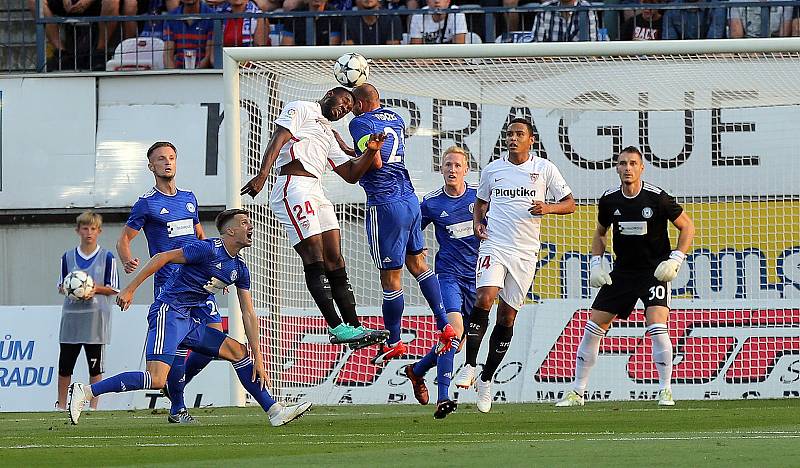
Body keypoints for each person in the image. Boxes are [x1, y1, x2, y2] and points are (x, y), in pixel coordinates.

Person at [68, 209, 312, 427]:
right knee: (156, 379)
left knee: (239, 351)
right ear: (230, 230)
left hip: (189, 320)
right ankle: (86, 391)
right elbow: (160, 258)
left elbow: (248, 312)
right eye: (245, 223)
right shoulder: (206, 248)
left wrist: (259, 357)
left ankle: (274, 410)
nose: (251, 227)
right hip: (169, 312)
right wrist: (130, 289)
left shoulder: (240, 268)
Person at [241, 87, 388, 349]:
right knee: (315, 255)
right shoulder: (302, 107)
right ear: (330, 93)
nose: (344, 108)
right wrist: (262, 175)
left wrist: (370, 152)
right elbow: (279, 137)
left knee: (335, 257)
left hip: (316, 191)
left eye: (349, 107)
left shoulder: (329, 133)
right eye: (343, 101)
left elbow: (351, 174)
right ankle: (336, 327)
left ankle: (354, 327)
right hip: (293, 186)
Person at [556, 146, 695, 408]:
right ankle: (577, 392)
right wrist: (596, 263)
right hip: (623, 272)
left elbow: (687, 226)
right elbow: (600, 233)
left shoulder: (657, 198)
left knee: (656, 325)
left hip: (654, 272)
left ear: (641, 168)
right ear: (617, 168)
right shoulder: (609, 200)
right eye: (622, 164)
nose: (627, 168)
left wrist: (676, 259)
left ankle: (665, 390)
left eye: (633, 163)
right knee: (593, 327)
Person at [454, 118, 575, 413]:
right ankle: (469, 365)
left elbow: (570, 203)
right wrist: (477, 223)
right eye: (509, 134)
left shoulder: (545, 169)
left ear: (531, 140)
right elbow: (481, 202)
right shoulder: (493, 170)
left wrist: (548, 207)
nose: (512, 138)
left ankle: (486, 378)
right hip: (494, 244)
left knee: (507, 318)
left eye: (519, 134)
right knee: (485, 297)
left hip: (525, 252)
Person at [347, 83, 457, 365]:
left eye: (351, 105)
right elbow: (375, 151)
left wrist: (350, 153)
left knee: (390, 278)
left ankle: (394, 342)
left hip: (384, 204)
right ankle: (445, 326)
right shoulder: (395, 118)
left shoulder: (359, 122)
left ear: (359, 105)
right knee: (419, 265)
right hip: (409, 198)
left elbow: (376, 161)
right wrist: (345, 148)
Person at [117, 141, 217, 423]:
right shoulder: (146, 204)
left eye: (171, 157)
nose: (167, 162)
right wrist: (127, 259)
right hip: (170, 285)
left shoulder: (189, 198)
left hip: (198, 281)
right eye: (161, 159)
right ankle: (178, 408)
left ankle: (177, 387)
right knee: (175, 349)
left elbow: (200, 237)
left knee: (214, 337)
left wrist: (213, 263)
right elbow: (124, 239)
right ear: (151, 166)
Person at [403, 146, 479, 419]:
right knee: (453, 330)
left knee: (457, 341)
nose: (452, 170)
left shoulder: (479, 197)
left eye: (457, 165)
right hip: (448, 276)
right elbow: (413, 229)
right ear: (441, 169)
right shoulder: (433, 202)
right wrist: (417, 247)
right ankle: (443, 397)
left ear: (466, 169)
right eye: (448, 165)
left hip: (478, 278)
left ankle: (418, 370)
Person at [56, 211, 119, 411]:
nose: (89, 232)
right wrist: (69, 288)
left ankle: (93, 406)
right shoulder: (67, 257)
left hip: (96, 320)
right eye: (85, 228)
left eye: (93, 229)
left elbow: (114, 288)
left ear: (99, 231)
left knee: (95, 367)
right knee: (65, 366)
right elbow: (61, 285)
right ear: (78, 230)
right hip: (71, 320)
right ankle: (61, 405)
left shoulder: (107, 257)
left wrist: (94, 289)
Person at [162, 0, 216, 69]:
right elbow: (168, 55)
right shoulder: (171, 17)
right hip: (178, 74)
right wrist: (174, 77)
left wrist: (193, 75)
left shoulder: (212, 16)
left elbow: (208, 56)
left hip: (203, 74)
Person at [530, 0, 599, 42]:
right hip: (551, 64)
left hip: (580, 63)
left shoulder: (587, 9)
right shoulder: (544, 9)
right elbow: (537, 45)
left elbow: (591, 46)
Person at [661, 0, 726, 39]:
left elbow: (713, 42)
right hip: (681, 56)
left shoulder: (716, 7)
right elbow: (669, 41)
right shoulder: (671, 8)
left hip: (709, 57)